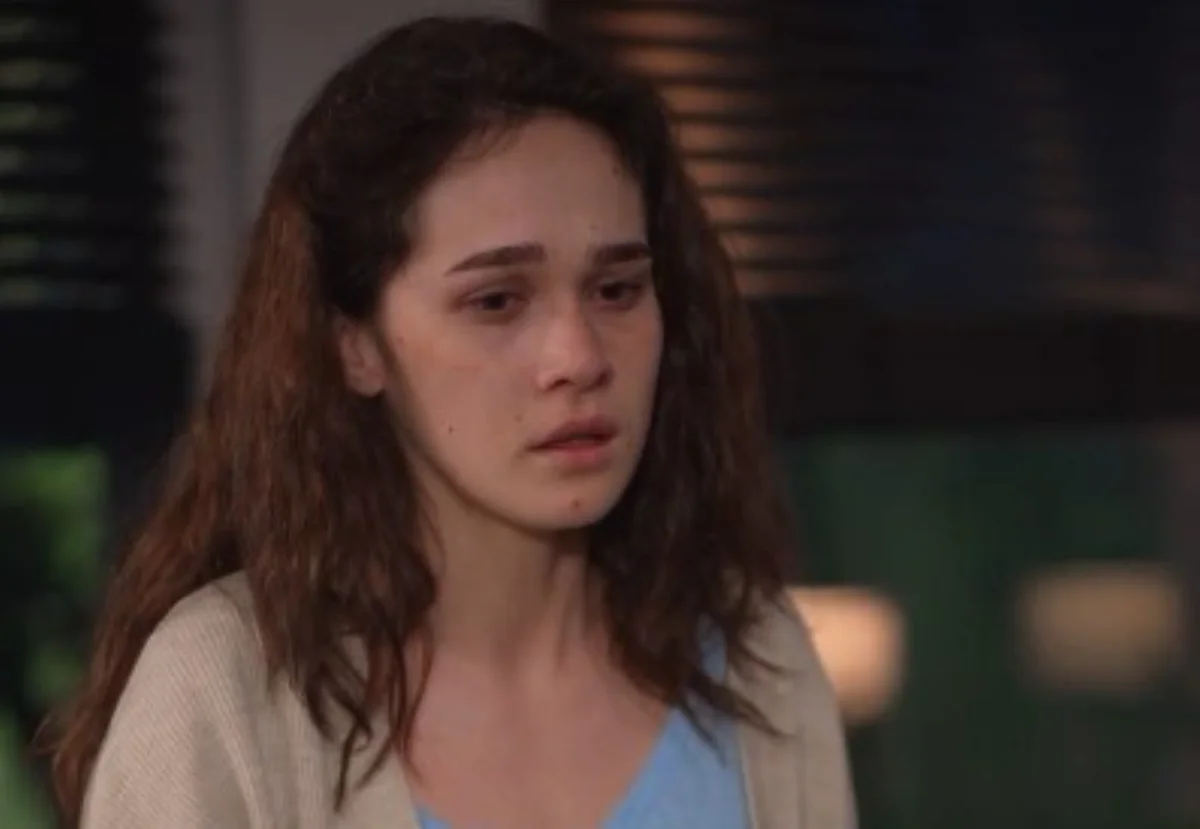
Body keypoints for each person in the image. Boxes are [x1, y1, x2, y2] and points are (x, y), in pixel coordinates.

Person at [38, 15, 856, 829]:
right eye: (496, 301)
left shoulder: (757, 661)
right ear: (355, 345)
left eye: (616, 290)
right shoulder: (225, 691)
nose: (578, 356)